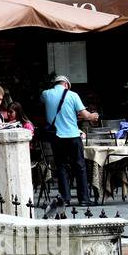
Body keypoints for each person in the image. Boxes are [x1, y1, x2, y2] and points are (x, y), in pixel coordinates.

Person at [41, 74, 99, 212]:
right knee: (79, 166)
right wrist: (93, 116)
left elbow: (45, 104)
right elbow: (85, 115)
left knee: (61, 166)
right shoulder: (73, 95)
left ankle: (65, 198)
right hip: (73, 136)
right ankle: (84, 199)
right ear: (66, 84)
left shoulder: (46, 94)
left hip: (56, 137)